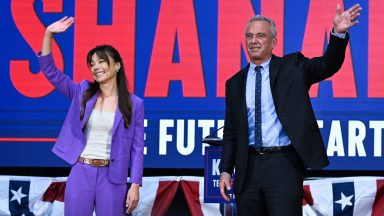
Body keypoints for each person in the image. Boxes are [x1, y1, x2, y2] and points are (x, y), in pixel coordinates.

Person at [219, 4, 362, 216]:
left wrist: (337, 35)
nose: (253, 41)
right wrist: (225, 169)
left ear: (273, 42)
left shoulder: (293, 68)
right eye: (249, 36)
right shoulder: (235, 83)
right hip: (247, 169)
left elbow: (327, 65)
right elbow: (231, 131)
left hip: (283, 165)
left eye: (260, 35)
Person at [38, 16, 144, 215]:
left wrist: (135, 184)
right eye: (92, 64)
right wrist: (48, 34)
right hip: (81, 171)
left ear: (117, 65)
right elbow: (51, 72)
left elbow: (138, 149)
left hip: (114, 178)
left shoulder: (134, 104)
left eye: (102, 62)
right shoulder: (83, 92)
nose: (96, 67)